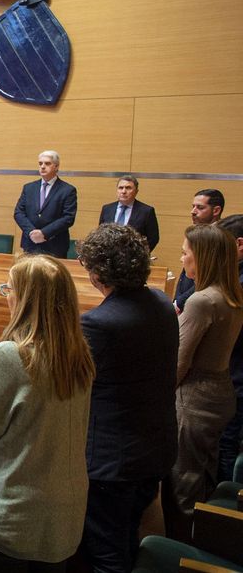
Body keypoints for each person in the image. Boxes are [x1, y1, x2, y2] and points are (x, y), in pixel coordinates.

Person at [0, 255, 95, 571]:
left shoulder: (10, 357)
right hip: (64, 518)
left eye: (9, 289)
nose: (6, 295)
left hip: (14, 519)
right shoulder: (80, 356)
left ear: (25, 299)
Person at [76, 224, 179, 572]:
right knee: (131, 540)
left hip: (112, 461)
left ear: (98, 272)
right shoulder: (162, 303)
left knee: (106, 553)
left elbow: (73, 386)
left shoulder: (97, 323)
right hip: (155, 449)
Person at [162, 223, 243, 542]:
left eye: (185, 253)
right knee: (205, 474)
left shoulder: (201, 301)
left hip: (195, 399)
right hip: (221, 392)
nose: (182, 259)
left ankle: (182, 550)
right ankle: (206, 537)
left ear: (203, 257)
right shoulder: (231, 293)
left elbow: (179, 362)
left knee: (182, 483)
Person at [215, 215, 243, 484]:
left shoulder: (238, 283)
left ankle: (219, 506)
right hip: (233, 371)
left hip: (236, 374)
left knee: (227, 441)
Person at [13, 150, 78, 257]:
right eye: (40, 163)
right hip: (30, 244)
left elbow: (68, 218)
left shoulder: (67, 190)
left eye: (47, 163)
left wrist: (44, 233)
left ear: (56, 167)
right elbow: (19, 212)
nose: (43, 166)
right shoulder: (29, 188)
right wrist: (31, 232)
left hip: (55, 246)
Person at [175, 189, 226, 311]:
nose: (193, 212)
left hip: (199, 304)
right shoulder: (195, 231)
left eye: (200, 207)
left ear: (216, 210)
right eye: (193, 207)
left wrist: (179, 303)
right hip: (183, 300)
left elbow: (209, 277)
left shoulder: (221, 238)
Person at [97, 175, 160, 252]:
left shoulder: (146, 211)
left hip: (133, 259)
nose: (123, 191)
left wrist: (140, 256)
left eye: (128, 188)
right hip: (108, 258)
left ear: (136, 191)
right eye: (120, 188)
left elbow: (153, 238)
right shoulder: (107, 209)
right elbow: (100, 234)